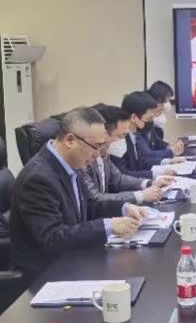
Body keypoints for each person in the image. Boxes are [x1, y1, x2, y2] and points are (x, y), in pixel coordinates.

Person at [10, 107, 146, 278]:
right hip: (46, 274)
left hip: (74, 259)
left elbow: (90, 205)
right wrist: (108, 226)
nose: (98, 155)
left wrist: (124, 208)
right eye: (96, 146)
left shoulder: (71, 164)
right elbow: (53, 238)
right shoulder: (38, 178)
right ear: (70, 140)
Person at [83, 104, 175, 205]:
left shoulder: (105, 155)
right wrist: (141, 196)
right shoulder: (85, 160)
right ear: (104, 134)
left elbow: (119, 179)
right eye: (121, 136)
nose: (124, 141)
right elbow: (95, 198)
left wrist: (149, 183)